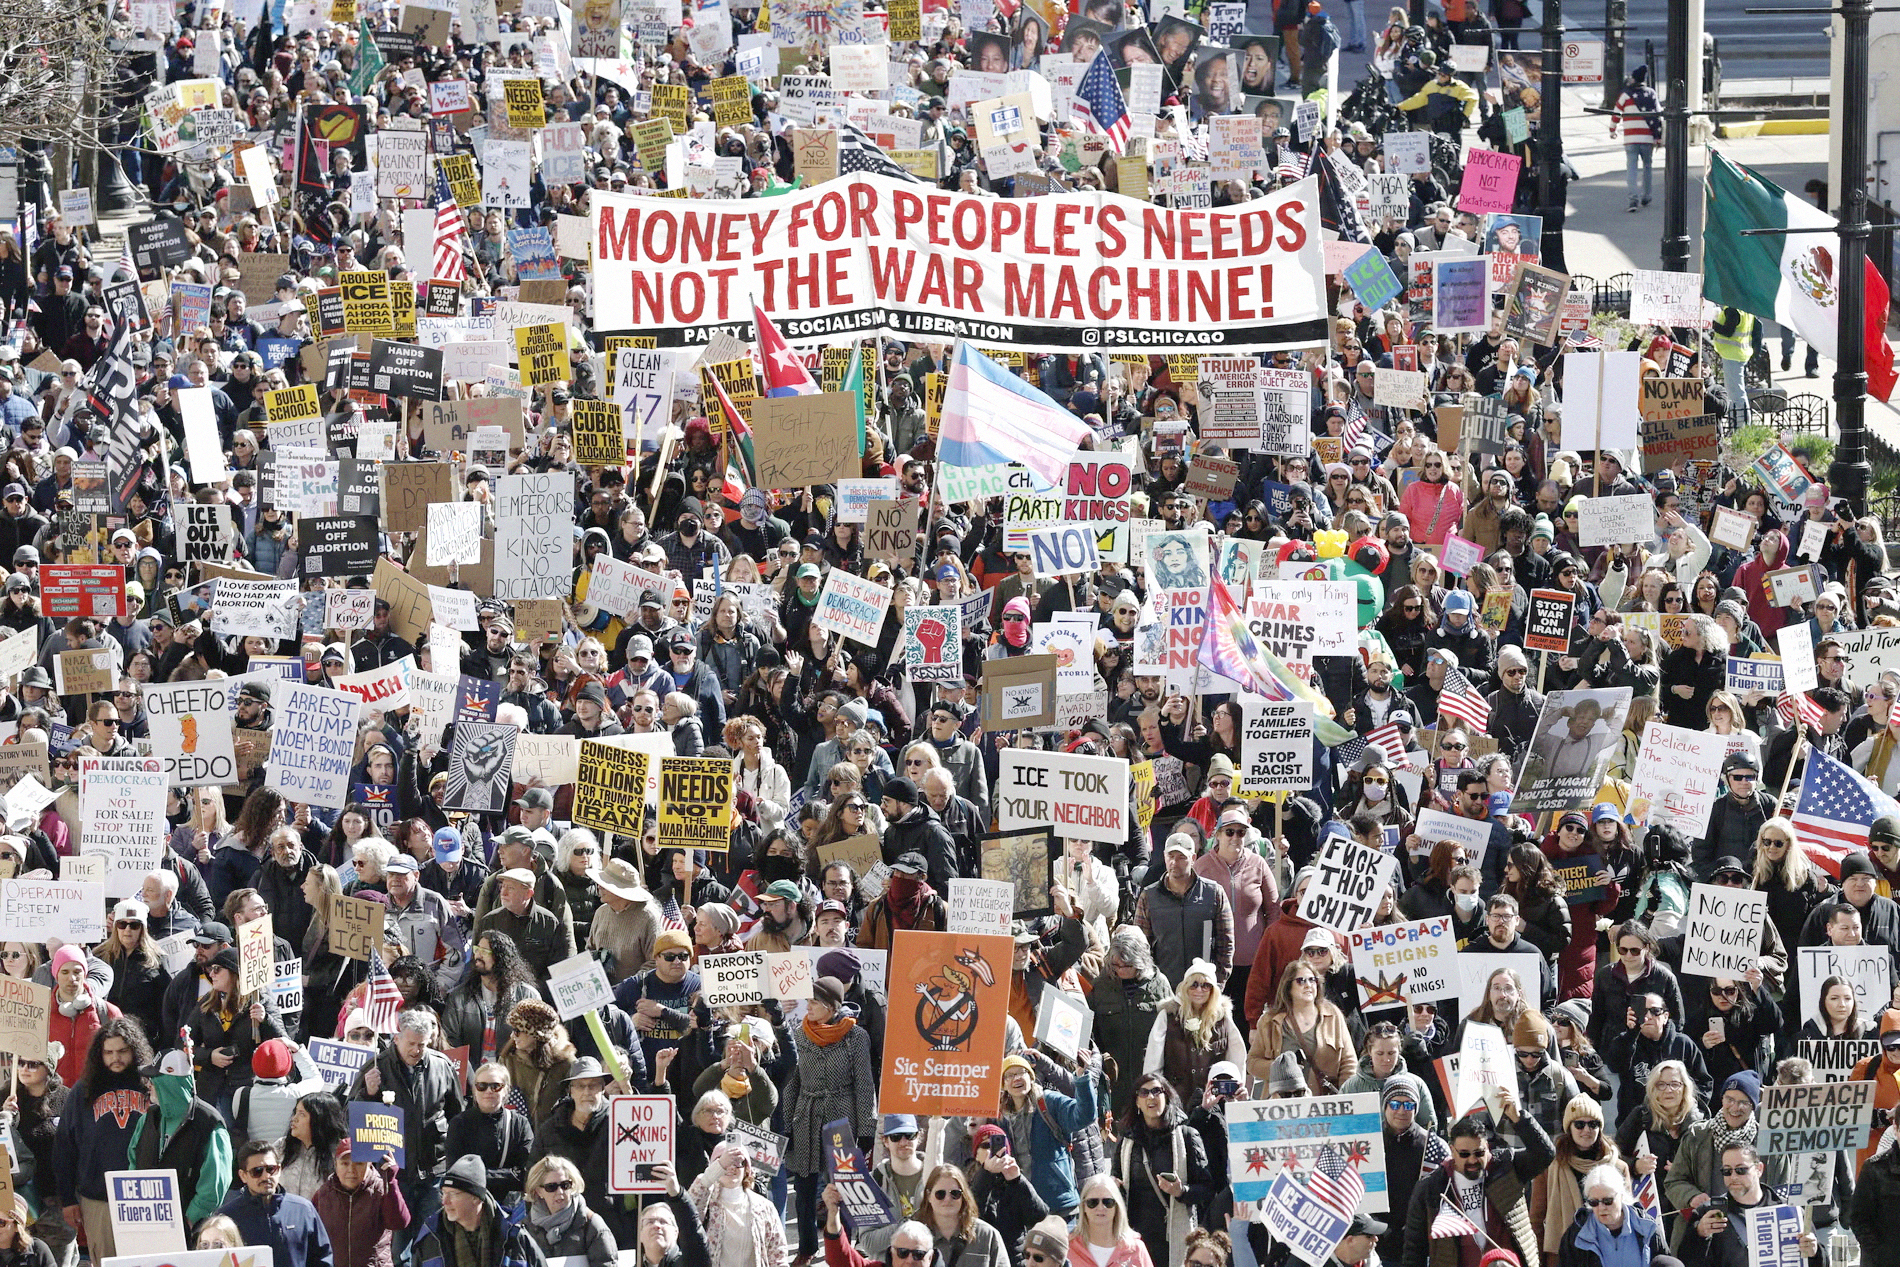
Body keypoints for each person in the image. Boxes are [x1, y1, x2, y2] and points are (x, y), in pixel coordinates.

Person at [1401, 1088, 1556, 1267]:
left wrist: (1519, 1118)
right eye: (1464, 1154)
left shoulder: (1506, 1166)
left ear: (1488, 1148)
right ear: (1452, 1151)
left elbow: (1545, 1153)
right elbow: (1414, 1250)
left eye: (1479, 1152)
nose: (1473, 1160)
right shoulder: (1432, 1187)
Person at [784, 976, 878, 1262]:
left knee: (844, 1184)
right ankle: (806, 1248)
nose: (808, 1006)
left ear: (830, 1005)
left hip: (842, 1117)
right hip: (807, 1116)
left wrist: (866, 1128)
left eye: (813, 1001)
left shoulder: (855, 1037)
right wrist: (786, 1124)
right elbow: (793, 1083)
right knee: (804, 1187)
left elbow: (864, 1083)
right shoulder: (800, 1035)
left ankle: (844, 1244)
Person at [126, 1046, 234, 1231]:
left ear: (169, 1083)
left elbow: (214, 1186)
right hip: (147, 1226)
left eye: (154, 1079)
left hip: (191, 1231)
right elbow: (133, 1163)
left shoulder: (209, 1124)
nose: (149, 1084)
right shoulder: (148, 1118)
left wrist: (188, 1221)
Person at [1113, 1074, 1212, 1267]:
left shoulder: (1187, 1136)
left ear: (1167, 1097)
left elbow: (1208, 1189)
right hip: (1135, 1236)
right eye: (1144, 1093)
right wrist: (1115, 1186)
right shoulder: (1127, 1140)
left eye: (1157, 1091)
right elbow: (1116, 1178)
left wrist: (1181, 1191)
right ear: (1137, 1102)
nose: (1151, 1097)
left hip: (1173, 1238)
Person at [1676, 1144, 1815, 1267]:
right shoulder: (1708, 1212)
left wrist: (1815, 1252)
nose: (1733, 1176)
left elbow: (1819, 1262)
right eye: (1727, 1171)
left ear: (1759, 1169)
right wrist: (1699, 1234)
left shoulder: (1789, 1210)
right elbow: (1686, 1261)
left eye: (1741, 1170)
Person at [409, 1157, 549, 1267]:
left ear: (476, 1198)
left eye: (453, 1194)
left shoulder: (514, 1237)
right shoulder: (430, 1238)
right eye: (443, 1193)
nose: (445, 1202)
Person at [217, 1139, 337, 1267]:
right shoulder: (227, 1217)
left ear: (279, 1170)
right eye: (257, 1171)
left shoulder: (303, 1210)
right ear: (243, 1176)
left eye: (271, 1169)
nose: (265, 1176)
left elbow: (323, 1258)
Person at [313, 1141, 410, 1267]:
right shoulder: (323, 1194)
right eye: (344, 1163)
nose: (351, 1170)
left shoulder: (381, 1189)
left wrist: (391, 1182)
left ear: (369, 1164)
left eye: (358, 1163)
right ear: (335, 1164)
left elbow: (399, 1222)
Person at [1556, 1164, 1674, 1267]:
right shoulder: (1577, 1235)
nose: (1601, 1208)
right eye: (1594, 1202)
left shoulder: (1647, 1227)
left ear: (1621, 1196)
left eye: (1608, 1201)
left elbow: (1666, 1262)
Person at [522, 1156, 617, 1267]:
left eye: (565, 1185)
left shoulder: (591, 1225)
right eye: (551, 1187)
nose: (560, 1192)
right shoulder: (526, 1228)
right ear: (538, 1192)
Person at [1067, 1176, 1154, 1267]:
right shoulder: (1068, 1248)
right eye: (1092, 1202)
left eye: (1108, 1202)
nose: (1100, 1208)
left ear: (1117, 1207)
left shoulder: (1135, 1248)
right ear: (1083, 1206)